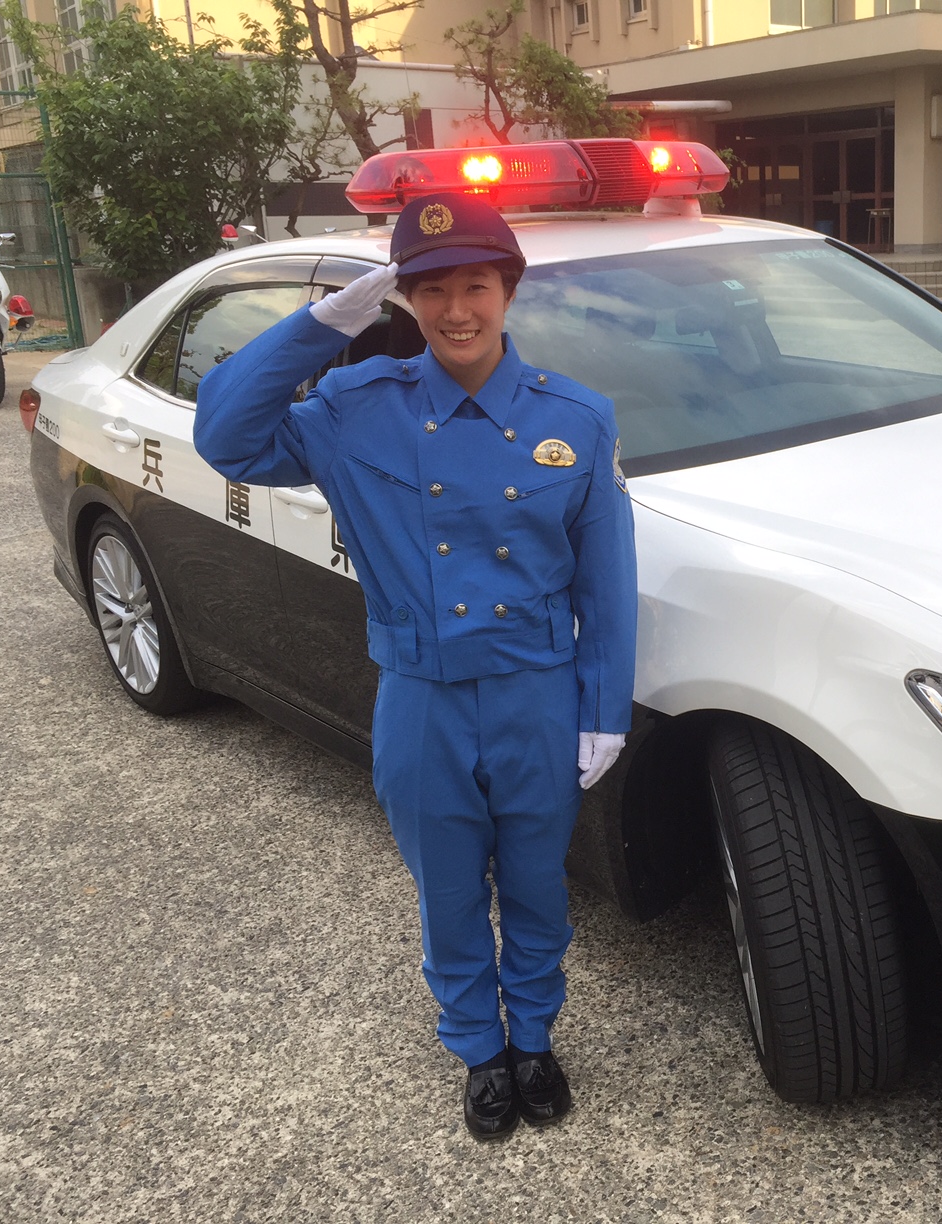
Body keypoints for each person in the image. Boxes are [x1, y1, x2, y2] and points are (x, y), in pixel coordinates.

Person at [193, 193, 637, 1142]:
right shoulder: (358, 408)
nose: (456, 311)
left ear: (507, 291)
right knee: (447, 888)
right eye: (430, 290)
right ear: (404, 300)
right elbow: (226, 438)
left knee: (537, 883)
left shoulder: (578, 417)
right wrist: (319, 327)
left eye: (475, 285)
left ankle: (535, 1039)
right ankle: (479, 1047)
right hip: (421, 698)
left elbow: (606, 580)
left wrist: (604, 707)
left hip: (537, 695)